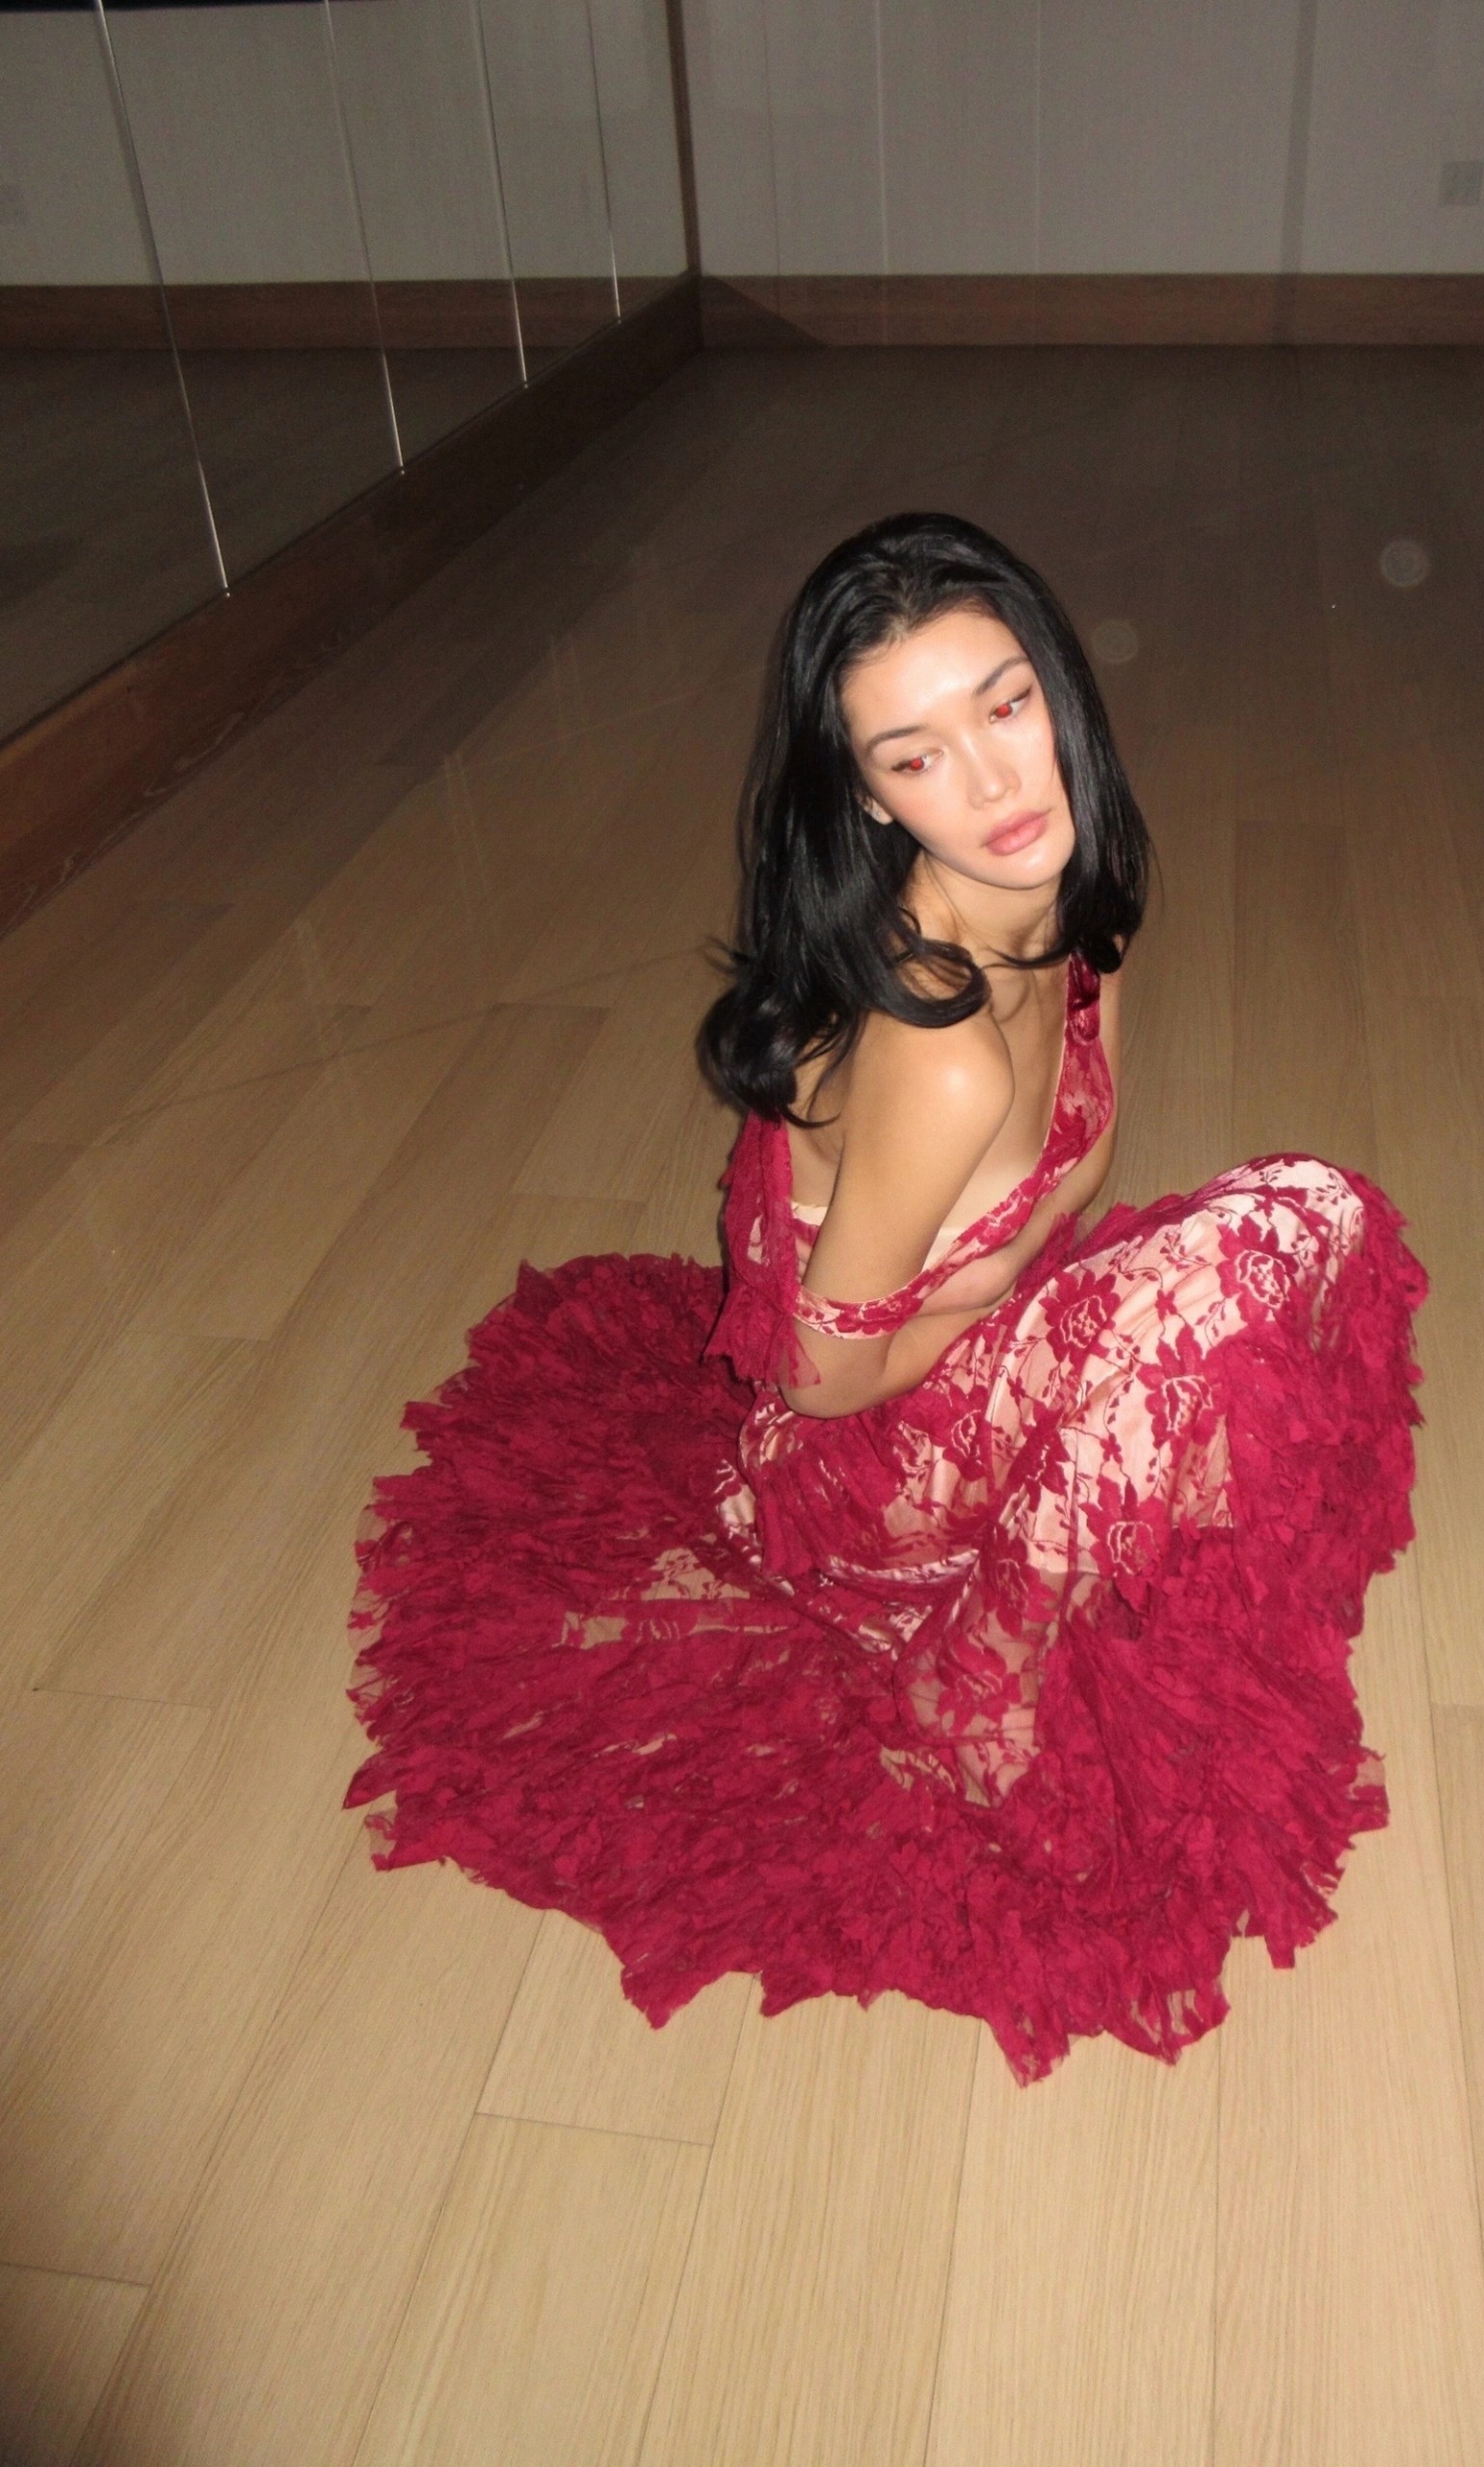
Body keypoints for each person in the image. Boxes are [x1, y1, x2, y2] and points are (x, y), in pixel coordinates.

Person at [345, 513, 1427, 2082]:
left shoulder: (1080, 908)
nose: (993, 785)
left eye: (1005, 705)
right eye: (916, 758)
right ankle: (968, 1678)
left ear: (1058, 686)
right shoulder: (938, 1048)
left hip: (961, 1371)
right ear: (868, 797)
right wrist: (1041, 1332)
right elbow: (811, 1376)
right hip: (852, 1463)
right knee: (1282, 1228)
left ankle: (1055, 1543)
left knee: (1280, 1257)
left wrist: (1070, 1338)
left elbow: (1076, 1190)